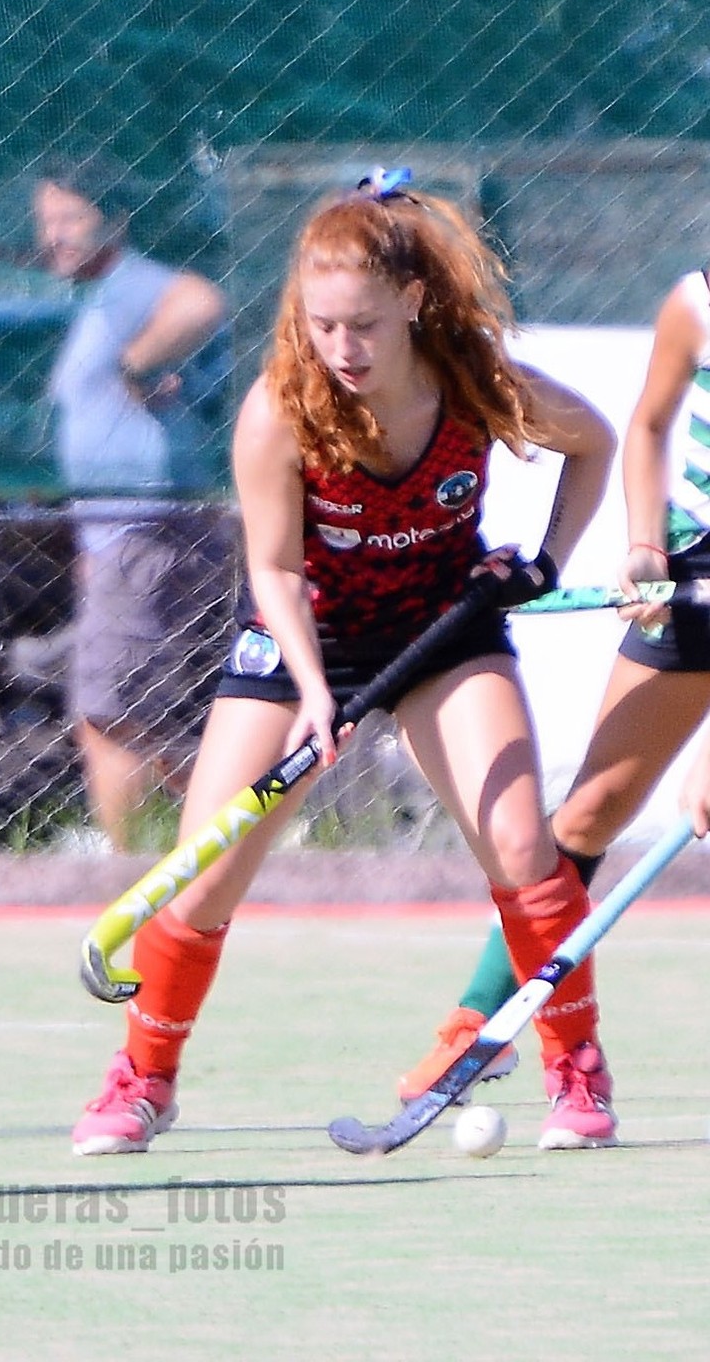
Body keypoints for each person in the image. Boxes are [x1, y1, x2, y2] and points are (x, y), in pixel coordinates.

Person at [70, 167, 618, 1158]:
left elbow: (594, 442)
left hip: (443, 635)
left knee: (525, 851)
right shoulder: (282, 408)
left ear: (411, 302)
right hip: (300, 643)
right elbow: (273, 569)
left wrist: (542, 562)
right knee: (202, 882)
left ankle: (575, 1068)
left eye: (362, 324)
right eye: (322, 324)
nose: (342, 348)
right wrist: (317, 694)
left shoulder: (472, 379)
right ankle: (142, 1082)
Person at [397, 258, 710, 1127]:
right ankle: (484, 1022)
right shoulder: (696, 297)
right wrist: (647, 546)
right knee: (586, 817)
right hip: (695, 584)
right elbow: (647, 428)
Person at [33, 155, 233, 851]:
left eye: (70, 220)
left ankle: (142, 861)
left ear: (114, 222)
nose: (54, 235)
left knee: (106, 707)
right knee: (126, 708)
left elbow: (202, 303)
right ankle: (223, 834)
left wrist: (135, 362)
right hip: (118, 536)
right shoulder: (92, 299)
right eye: (47, 221)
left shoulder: (130, 286)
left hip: (150, 527)